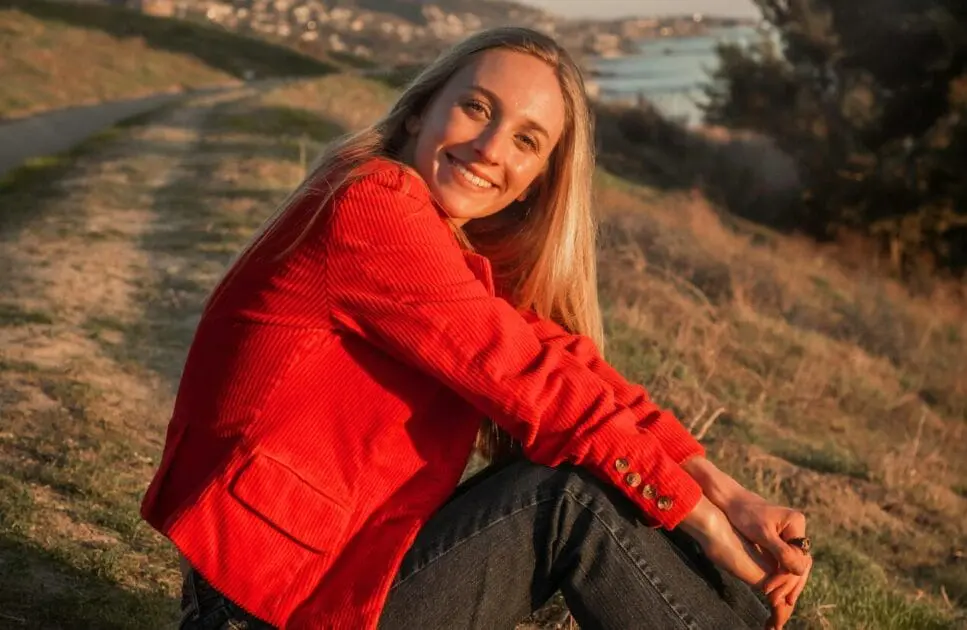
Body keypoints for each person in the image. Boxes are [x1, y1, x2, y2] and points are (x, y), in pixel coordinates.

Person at [140, 26, 812, 630]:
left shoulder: (444, 247)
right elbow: (537, 388)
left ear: (534, 182)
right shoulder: (372, 205)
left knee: (632, 511)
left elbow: (563, 363)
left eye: (525, 139)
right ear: (416, 113)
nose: (491, 148)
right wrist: (703, 525)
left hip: (316, 583)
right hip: (269, 604)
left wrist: (725, 495)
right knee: (567, 501)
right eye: (476, 108)